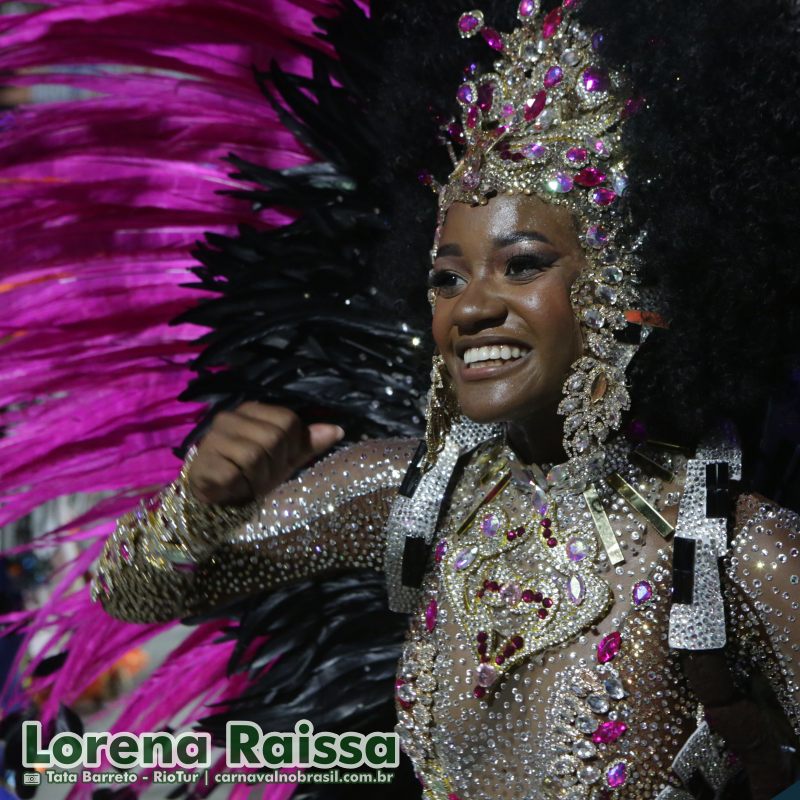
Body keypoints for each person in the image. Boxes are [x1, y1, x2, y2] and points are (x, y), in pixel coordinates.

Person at [89, 1, 800, 799]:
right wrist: (201, 501)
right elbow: (136, 590)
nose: (471, 308)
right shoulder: (418, 494)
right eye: (446, 278)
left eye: (522, 265)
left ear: (626, 291)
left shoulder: (732, 550)